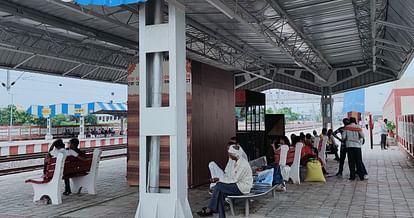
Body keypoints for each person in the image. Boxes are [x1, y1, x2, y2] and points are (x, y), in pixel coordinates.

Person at [198, 145, 253, 217]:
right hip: (237, 184)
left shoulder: (242, 165)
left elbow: (234, 180)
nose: (228, 155)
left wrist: (219, 180)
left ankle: (210, 208)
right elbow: (231, 177)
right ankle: (221, 216)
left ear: (235, 155)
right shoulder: (236, 161)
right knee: (220, 193)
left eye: (230, 154)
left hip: (242, 187)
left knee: (218, 186)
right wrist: (219, 179)